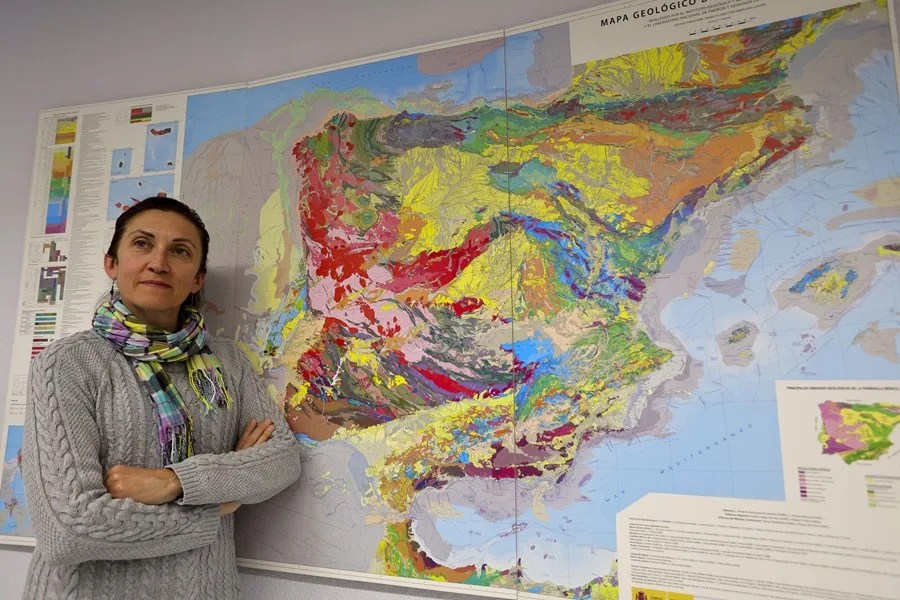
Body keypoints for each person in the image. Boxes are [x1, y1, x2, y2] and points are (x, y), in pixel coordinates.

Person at [21, 195, 302, 599]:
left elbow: (282, 461)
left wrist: (175, 482)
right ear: (111, 264)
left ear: (198, 279)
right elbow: (68, 529)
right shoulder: (67, 364)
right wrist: (218, 505)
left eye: (180, 251)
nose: (158, 262)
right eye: (142, 243)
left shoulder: (228, 362)